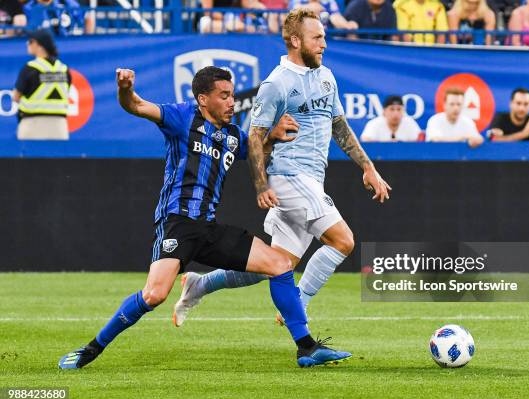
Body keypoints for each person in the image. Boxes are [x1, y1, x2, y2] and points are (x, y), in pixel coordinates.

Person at [57, 66, 352, 370]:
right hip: (178, 224)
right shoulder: (181, 117)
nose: (231, 102)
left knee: (280, 265)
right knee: (155, 294)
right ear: (202, 99)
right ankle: (91, 350)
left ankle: (306, 348)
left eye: (232, 95)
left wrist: (272, 137)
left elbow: (254, 151)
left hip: (209, 229)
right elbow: (136, 105)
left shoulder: (232, 135)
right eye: (224, 96)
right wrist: (124, 89)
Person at [171, 9, 391, 328]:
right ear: (294, 40)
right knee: (343, 240)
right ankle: (297, 307)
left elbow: (339, 125)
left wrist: (367, 167)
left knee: (277, 264)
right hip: (288, 175)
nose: (324, 44)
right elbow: (255, 137)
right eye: (317, 38)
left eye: (324, 37)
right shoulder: (276, 83)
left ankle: (199, 284)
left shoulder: (326, 77)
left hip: (312, 180)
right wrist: (262, 186)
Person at [13, 29, 70, 140]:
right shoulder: (64, 69)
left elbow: (16, 97)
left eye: (30, 41)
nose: (27, 44)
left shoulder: (29, 68)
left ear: (39, 45)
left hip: (32, 125)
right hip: (59, 127)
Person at [289, 0, 359, 30]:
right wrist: (311, 7)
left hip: (325, 41)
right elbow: (293, 11)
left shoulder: (329, 1)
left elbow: (335, 16)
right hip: (302, 40)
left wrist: (346, 24)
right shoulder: (297, 1)